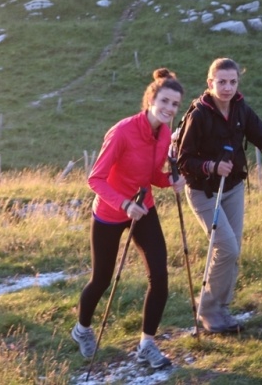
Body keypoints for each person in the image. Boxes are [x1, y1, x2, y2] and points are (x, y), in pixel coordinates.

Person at [71, 68, 185, 370]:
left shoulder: (164, 135)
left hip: (143, 208)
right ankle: (82, 328)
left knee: (159, 276)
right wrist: (124, 204)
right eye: (164, 101)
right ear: (150, 100)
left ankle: (147, 344)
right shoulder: (122, 132)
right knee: (102, 279)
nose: (169, 108)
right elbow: (95, 179)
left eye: (175, 104)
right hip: (110, 212)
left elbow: (151, 175)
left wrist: (171, 180)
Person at [176, 58, 262, 333]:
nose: (227, 88)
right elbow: (183, 161)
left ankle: (221, 309)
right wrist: (212, 166)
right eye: (221, 82)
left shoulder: (241, 108)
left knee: (231, 252)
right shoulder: (199, 114)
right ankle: (208, 310)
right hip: (203, 191)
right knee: (226, 248)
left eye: (232, 82)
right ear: (210, 83)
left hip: (233, 188)